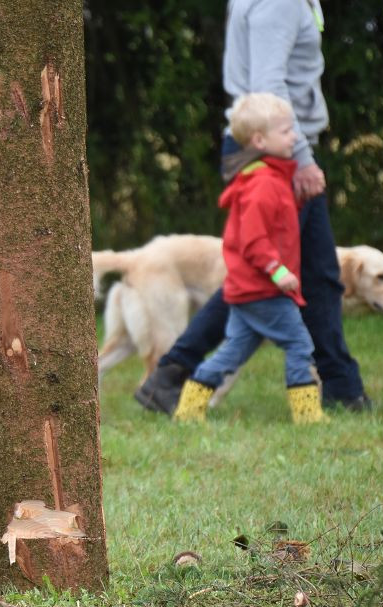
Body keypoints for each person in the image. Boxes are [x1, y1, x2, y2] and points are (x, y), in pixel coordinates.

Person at [136, 0, 370, 415]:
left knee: (318, 275)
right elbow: (266, 87)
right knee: (258, 278)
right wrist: (301, 157)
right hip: (273, 152)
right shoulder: (278, 3)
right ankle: (171, 376)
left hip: (279, 148)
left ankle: (341, 387)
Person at [172, 93, 327, 424]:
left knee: (233, 352)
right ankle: (307, 415)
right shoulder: (263, 184)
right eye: (286, 131)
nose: (295, 137)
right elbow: (253, 240)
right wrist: (278, 272)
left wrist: (296, 203)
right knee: (300, 345)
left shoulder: (269, 178)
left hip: (247, 289)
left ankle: (189, 409)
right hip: (264, 290)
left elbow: (275, 225)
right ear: (260, 140)